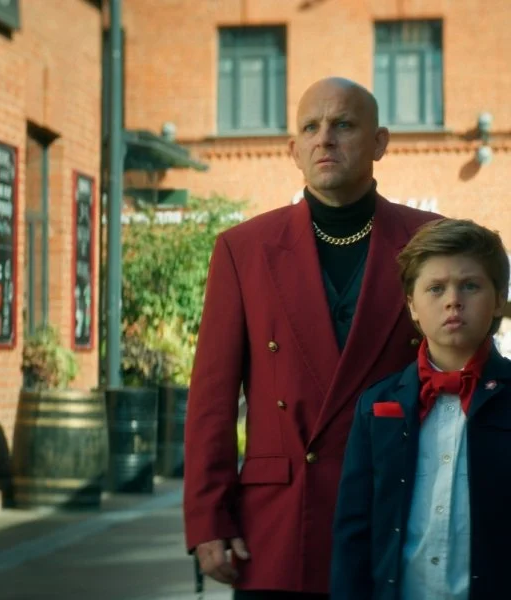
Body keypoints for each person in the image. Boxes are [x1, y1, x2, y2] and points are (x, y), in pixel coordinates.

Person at [182, 76, 441, 599]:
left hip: (398, 513)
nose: (325, 138)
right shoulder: (243, 249)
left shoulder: (431, 241)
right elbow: (211, 398)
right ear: (293, 150)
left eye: (343, 124)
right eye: (311, 127)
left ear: (379, 142)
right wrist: (208, 518)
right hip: (278, 524)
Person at [331, 218, 511, 600]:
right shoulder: (376, 404)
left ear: (499, 298)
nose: (453, 300)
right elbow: (353, 532)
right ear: (412, 305)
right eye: (435, 288)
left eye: (470, 285)